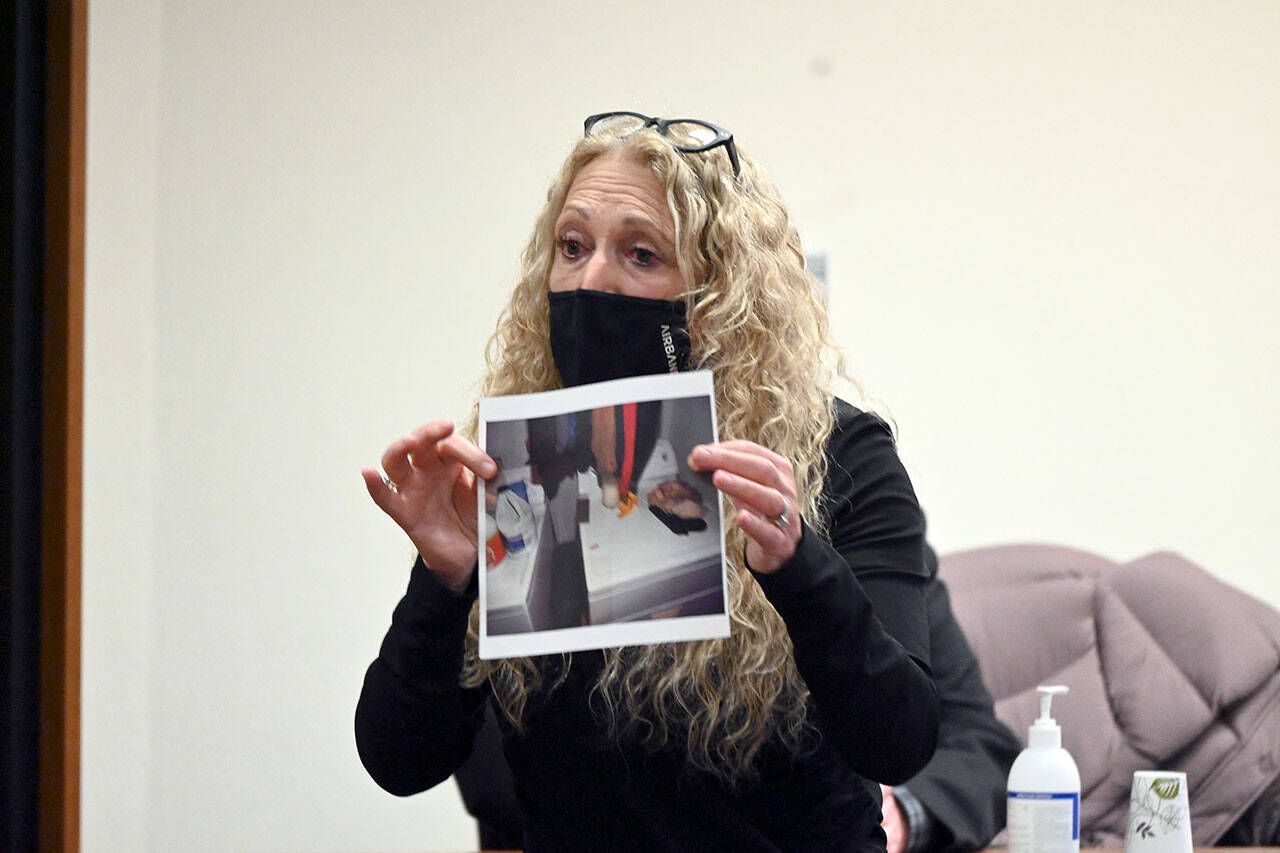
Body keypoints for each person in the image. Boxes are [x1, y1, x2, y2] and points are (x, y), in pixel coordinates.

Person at [355, 111, 941, 850]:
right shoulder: (518, 466)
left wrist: (798, 568)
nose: (590, 280)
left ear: (719, 294)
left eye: (640, 254)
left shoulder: (836, 452)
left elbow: (899, 740)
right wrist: (443, 583)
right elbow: (400, 760)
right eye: (572, 247)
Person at [453, 544, 1021, 853]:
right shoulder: (537, 561)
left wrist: (903, 814)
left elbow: (980, 744)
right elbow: (489, 773)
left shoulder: (867, 552)